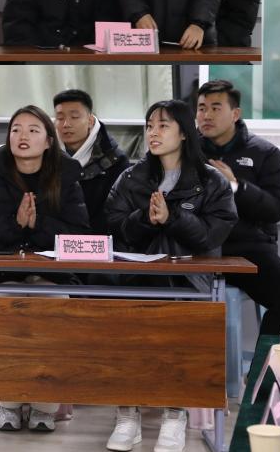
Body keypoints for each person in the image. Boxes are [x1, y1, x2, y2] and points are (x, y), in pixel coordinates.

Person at [104, 99, 238, 452]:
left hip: (188, 283)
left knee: (179, 335)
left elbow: (213, 234)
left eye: (163, 125)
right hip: (136, 279)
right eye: (149, 125)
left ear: (184, 133)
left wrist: (173, 218)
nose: (153, 132)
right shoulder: (130, 178)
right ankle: (127, 415)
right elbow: (114, 226)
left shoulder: (210, 181)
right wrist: (146, 219)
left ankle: (174, 415)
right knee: (124, 336)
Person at [0, 105, 88, 433]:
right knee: (4, 311)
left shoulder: (67, 177)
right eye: (16, 129)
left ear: (48, 141)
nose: (23, 136)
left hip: (54, 275)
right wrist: (14, 223)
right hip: (4, 275)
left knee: (52, 312)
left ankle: (45, 407)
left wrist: (38, 224)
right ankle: (9, 404)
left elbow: (80, 235)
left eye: (33, 130)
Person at [196, 79, 280, 334]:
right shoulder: (186, 151)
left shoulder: (265, 153)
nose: (207, 115)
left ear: (235, 114)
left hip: (245, 250)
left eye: (216, 108)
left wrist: (235, 186)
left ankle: (266, 359)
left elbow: (276, 208)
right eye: (201, 108)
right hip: (196, 248)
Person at [52, 89, 130, 234]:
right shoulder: (45, 156)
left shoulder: (115, 161)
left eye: (74, 117)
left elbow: (117, 215)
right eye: (60, 118)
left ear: (90, 121)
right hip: (53, 240)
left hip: (100, 240)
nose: (66, 124)